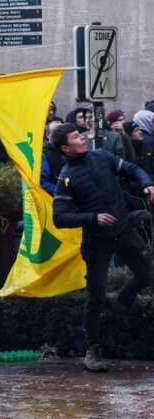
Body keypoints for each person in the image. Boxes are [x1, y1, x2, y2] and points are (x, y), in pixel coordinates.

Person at [52, 122, 154, 372]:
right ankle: (93, 350)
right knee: (95, 297)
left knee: (148, 273)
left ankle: (121, 300)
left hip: (123, 229)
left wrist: (147, 182)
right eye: (76, 137)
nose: (83, 138)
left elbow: (130, 169)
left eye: (81, 134)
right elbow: (59, 218)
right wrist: (92, 218)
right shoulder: (65, 177)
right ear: (66, 147)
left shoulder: (102, 156)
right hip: (96, 241)